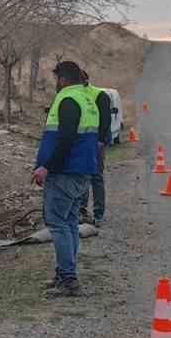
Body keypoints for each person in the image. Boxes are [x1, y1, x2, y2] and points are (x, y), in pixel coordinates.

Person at [31, 60, 99, 296]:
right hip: (81, 170)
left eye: (56, 79)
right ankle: (65, 274)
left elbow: (66, 139)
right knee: (69, 223)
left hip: (64, 173)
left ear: (62, 79)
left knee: (58, 224)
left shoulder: (68, 99)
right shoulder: (88, 99)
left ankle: (68, 280)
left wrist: (46, 167)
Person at [76, 70, 112, 225]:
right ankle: (81, 211)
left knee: (95, 177)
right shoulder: (74, 94)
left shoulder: (99, 95)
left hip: (95, 143)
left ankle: (98, 214)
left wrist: (101, 140)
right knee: (81, 176)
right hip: (80, 143)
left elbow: (105, 120)